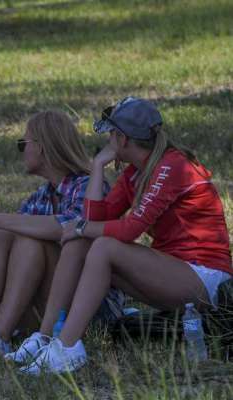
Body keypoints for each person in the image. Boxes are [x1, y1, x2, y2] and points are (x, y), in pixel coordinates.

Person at [20, 97, 232, 375]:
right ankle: (47, 337)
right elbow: (95, 219)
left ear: (122, 139)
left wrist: (81, 227)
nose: (108, 141)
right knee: (82, 242)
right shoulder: (136, 172)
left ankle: (68, 346)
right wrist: (97, 166)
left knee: (103, 247)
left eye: (111, 134)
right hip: (175, 274)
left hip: (206, 278)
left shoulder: (172, 166)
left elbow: (131, 229)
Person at [0, 110, 122, 361]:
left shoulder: (89, 185)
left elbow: (72, 226)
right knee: (1, 235)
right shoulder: (42, 196)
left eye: (23, 144)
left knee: (24, 240)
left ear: (42, 147)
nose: (21, 151)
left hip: (89, 310)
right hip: (48, 308)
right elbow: (8, 255)